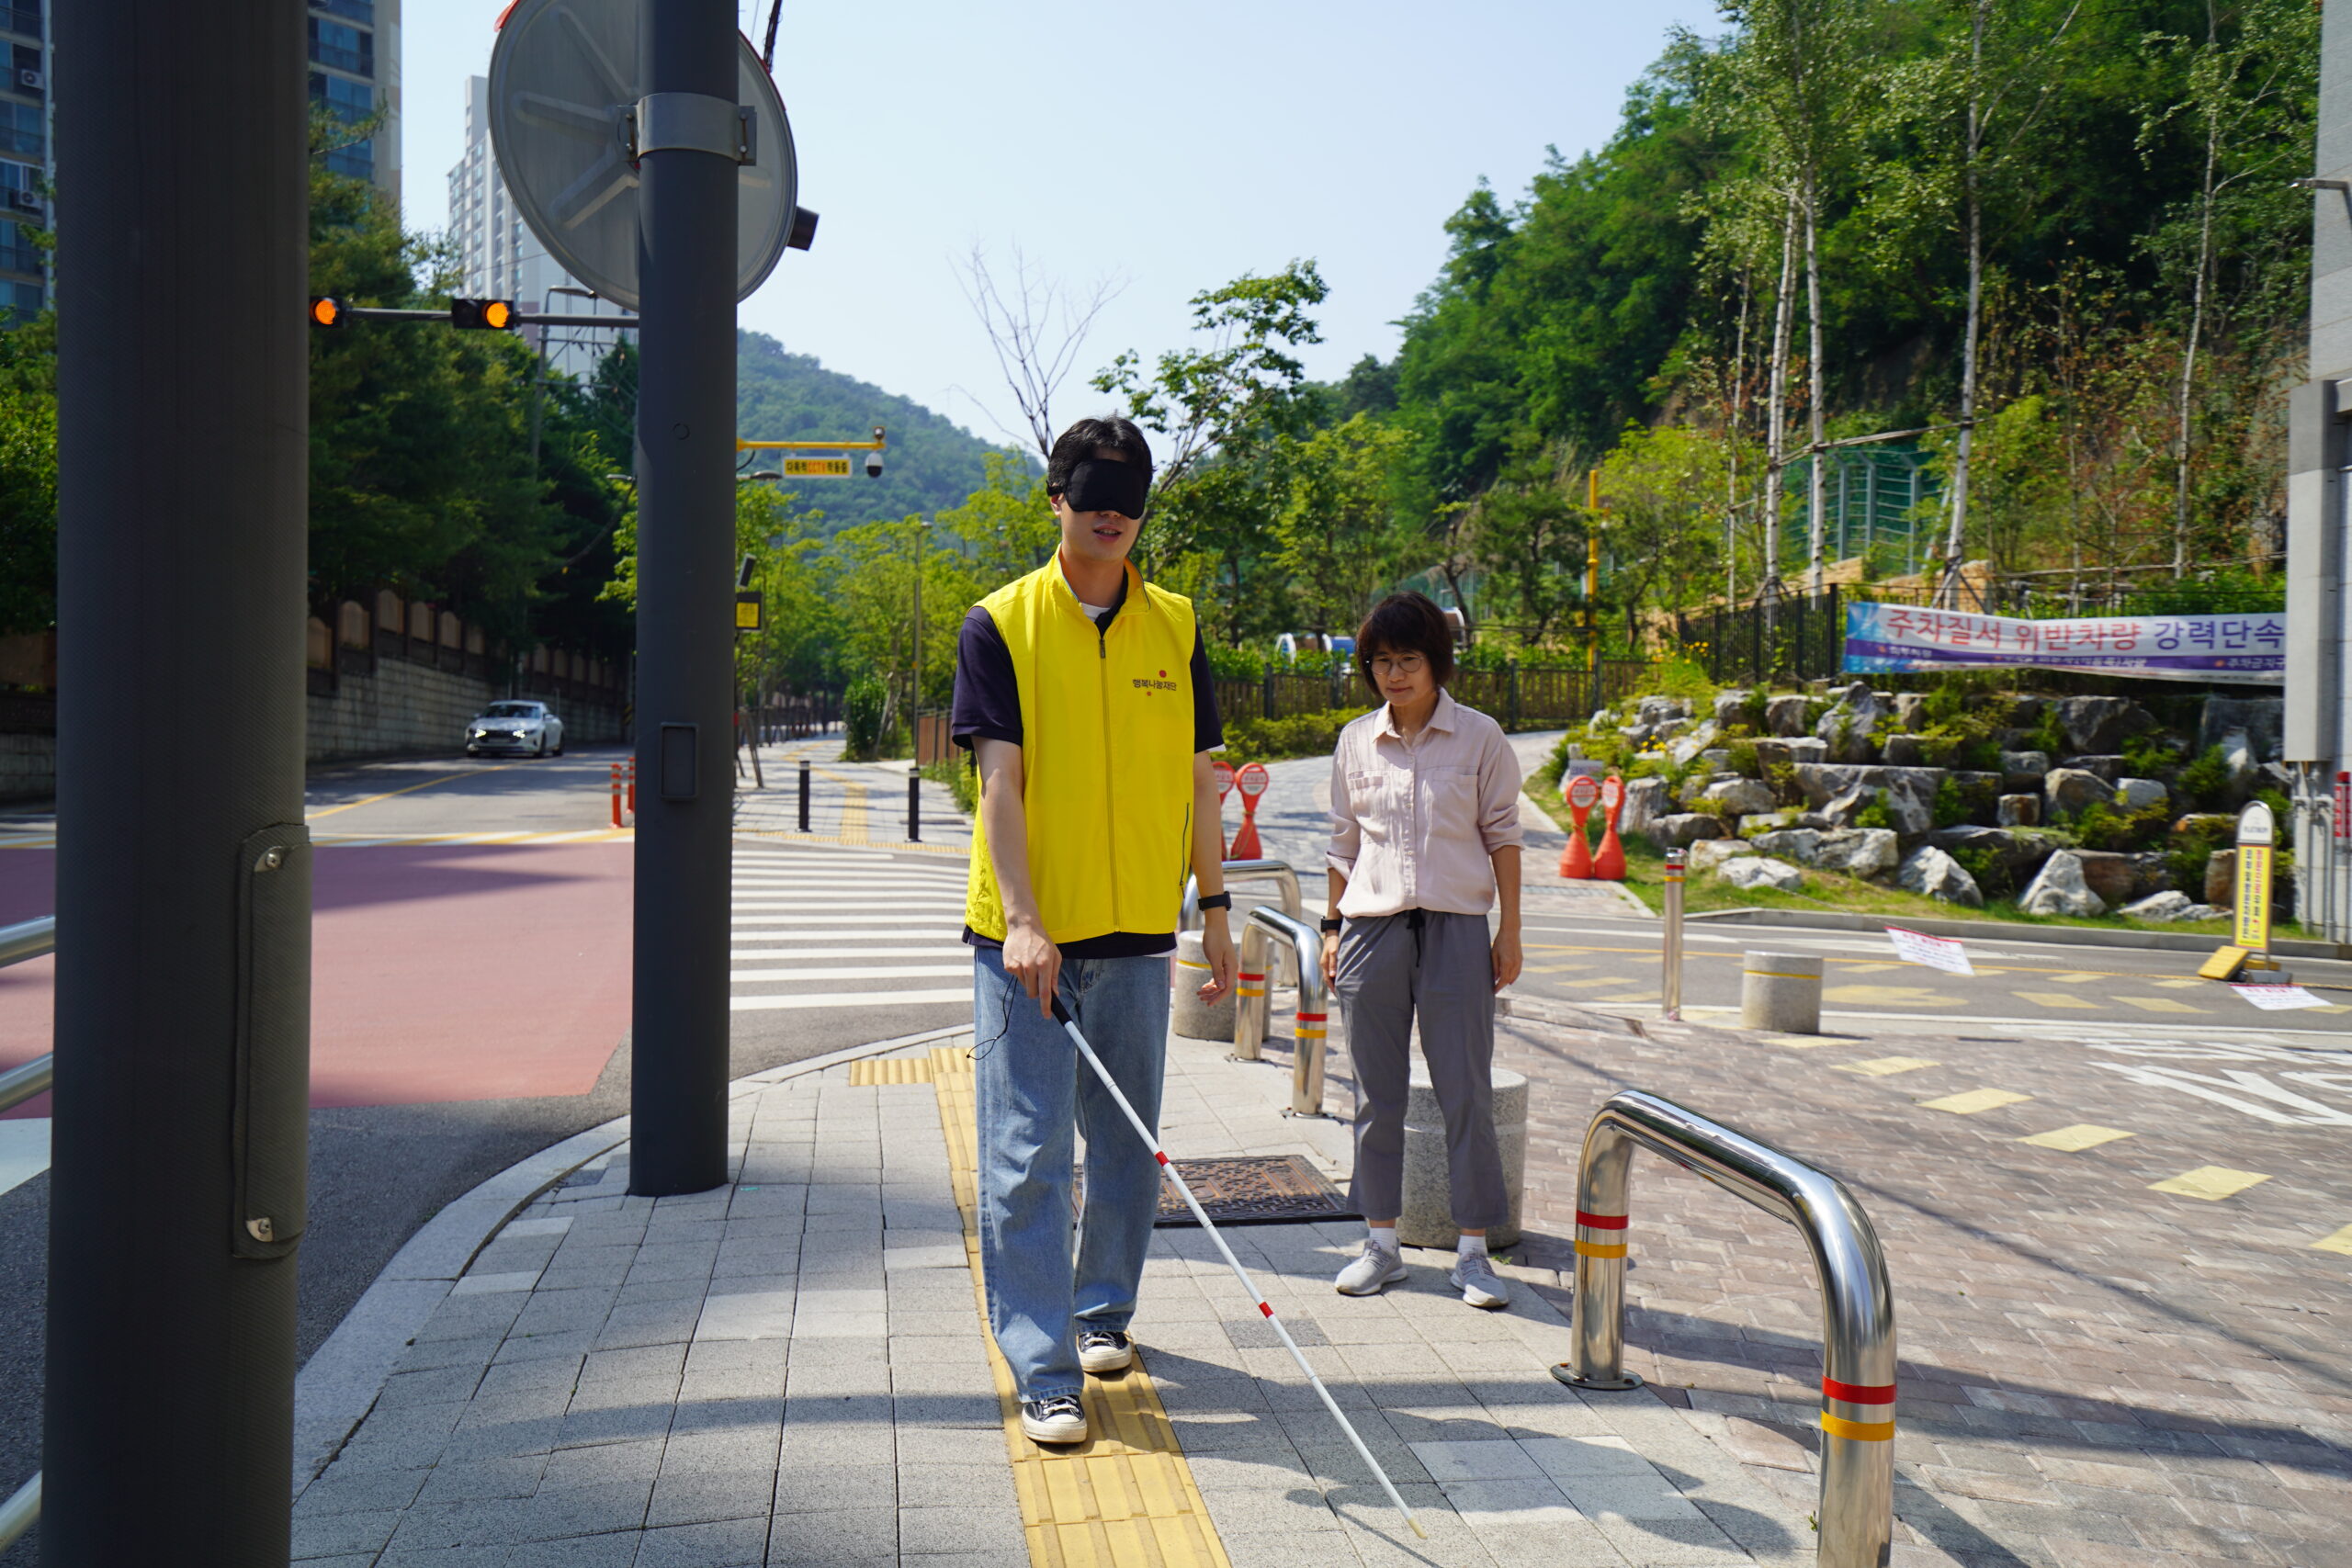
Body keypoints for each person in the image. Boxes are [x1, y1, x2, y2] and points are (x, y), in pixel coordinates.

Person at [951, 414, 1239, 1446]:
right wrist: (1024, 922)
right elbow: (999, 784)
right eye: (1092, 493)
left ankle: (1102, 1311)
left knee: (1123, 1145)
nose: (1111, 513)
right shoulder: (1001, 623)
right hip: (1027, 944)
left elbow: (1202, 778)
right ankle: (1043, 1367)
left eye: (1128, 496)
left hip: (1136, 935)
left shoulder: (1179, 624)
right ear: (1056, 498)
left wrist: (1214, 907)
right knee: (1027, 1152)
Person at [1319, 591, 1524, 1309]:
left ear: (1436, 662)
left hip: (1457, 929)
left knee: (1465, 1089)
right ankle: (1381, 1243)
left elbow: (1503, 834)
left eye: (1409, 660)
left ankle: (1473, 1253)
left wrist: (1511, 929)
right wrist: (1330, 927)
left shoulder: (1480, 737)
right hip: (1371, 929)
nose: (1395, 674)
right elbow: (1342, 841)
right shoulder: (1355, 740)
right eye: (1382, 661)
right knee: (1375, 1094)